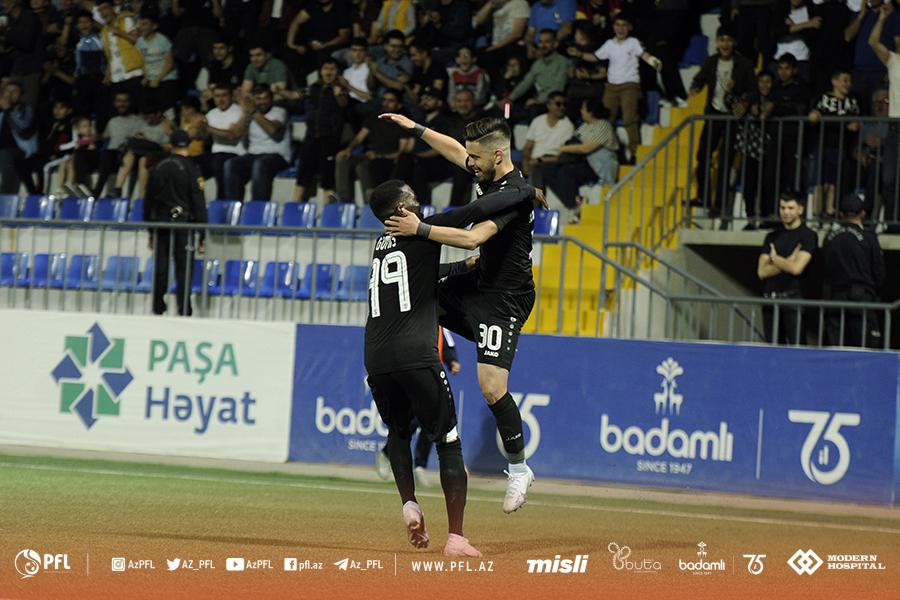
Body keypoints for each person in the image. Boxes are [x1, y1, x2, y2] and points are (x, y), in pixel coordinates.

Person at [378, 113, 543, 513]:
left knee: (491, 387)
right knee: (418, 296)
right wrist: (417, 128)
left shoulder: (514, 195)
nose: (469, 163)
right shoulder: (486, 169)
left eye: (476, 157)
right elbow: (455, 150)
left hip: (505, 299)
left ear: (498, 155)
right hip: (477, 282)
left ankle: (519, 469)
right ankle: (405, 375)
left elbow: (472, 237)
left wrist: (419, 228)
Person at [367, 178, 527, 556]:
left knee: (398, 433)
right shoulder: (423, 230)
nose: (419, 201)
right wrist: (525, 192)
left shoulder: (380, 246)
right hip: (416, 355)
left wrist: (460, 267)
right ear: (400, 211)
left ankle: (409, 503)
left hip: (375, 357)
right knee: (448, 442)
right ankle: (456, 537)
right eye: (412, 197)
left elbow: (421, 276)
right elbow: (474, 212)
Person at [571, 13, 662, 159]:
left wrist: (656, 63)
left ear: (629, 27)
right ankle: (614, 152)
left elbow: (644, 55)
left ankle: (635, 154)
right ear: (613, 27)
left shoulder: (633, 42)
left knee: (629, 119)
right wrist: (579, 54)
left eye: (624, 25)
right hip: (611, 87)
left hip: (630, 86)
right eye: (617, 25)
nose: (620, 28)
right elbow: (595, 57)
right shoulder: (609, 44)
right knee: (606, 120)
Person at [143, 129, 209, 317]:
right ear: (188, 144)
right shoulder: (192, 168)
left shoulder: (159, 167)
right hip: (184, 226)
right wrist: (202, 234)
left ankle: (158, 306)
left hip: (161, 224)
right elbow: (198, 202)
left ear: (170, 145)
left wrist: (150, 230)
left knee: (161, 267)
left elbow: (148, 201)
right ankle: (184, 309)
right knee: (184, 269)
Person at [536, 97, 619, 221]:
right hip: (585, 164)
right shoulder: (585, 126)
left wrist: (564, 148)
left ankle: (574, 205)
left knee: (566, 172)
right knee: (547, 170)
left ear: (591, 112)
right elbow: (573, 142)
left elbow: (586, 148)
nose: (581, 111)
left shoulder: (603, 125)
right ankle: (574, 204)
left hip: (600, 169)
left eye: (583, 109)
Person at [821, 193, 886, 348]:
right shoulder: (869, 237)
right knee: (865, 350)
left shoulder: (829, 237)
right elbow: (879, 272)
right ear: (862, 214)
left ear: (841, 214)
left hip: (835, 298)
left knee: (836, 350)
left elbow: (825, 268)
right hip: (862, 299)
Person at [756, 192, 816, 345]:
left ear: (800, 210)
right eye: (782, 208)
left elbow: (797, 269)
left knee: (797, 348)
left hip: (793, 299)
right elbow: (762, 272)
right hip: (770, 298)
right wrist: (788, 261)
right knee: (772, 348)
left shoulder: (808, 235)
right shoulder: (771, 236)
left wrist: (775, 259)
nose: (786, 212)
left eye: (790, 208)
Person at [223, 86, 290, 201]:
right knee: (231, 164)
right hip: (253, 154)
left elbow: (272, 129)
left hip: (277, 155)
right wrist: (245, 113)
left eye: (265, 98)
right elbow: (236, 134)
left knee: (260, 164)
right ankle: (234, 206)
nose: (262, 102)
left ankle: (258, 206)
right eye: (258, 99)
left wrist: (254, 112)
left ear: (271, 99)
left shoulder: (279, 111)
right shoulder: (250, 113)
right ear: (253, 100)